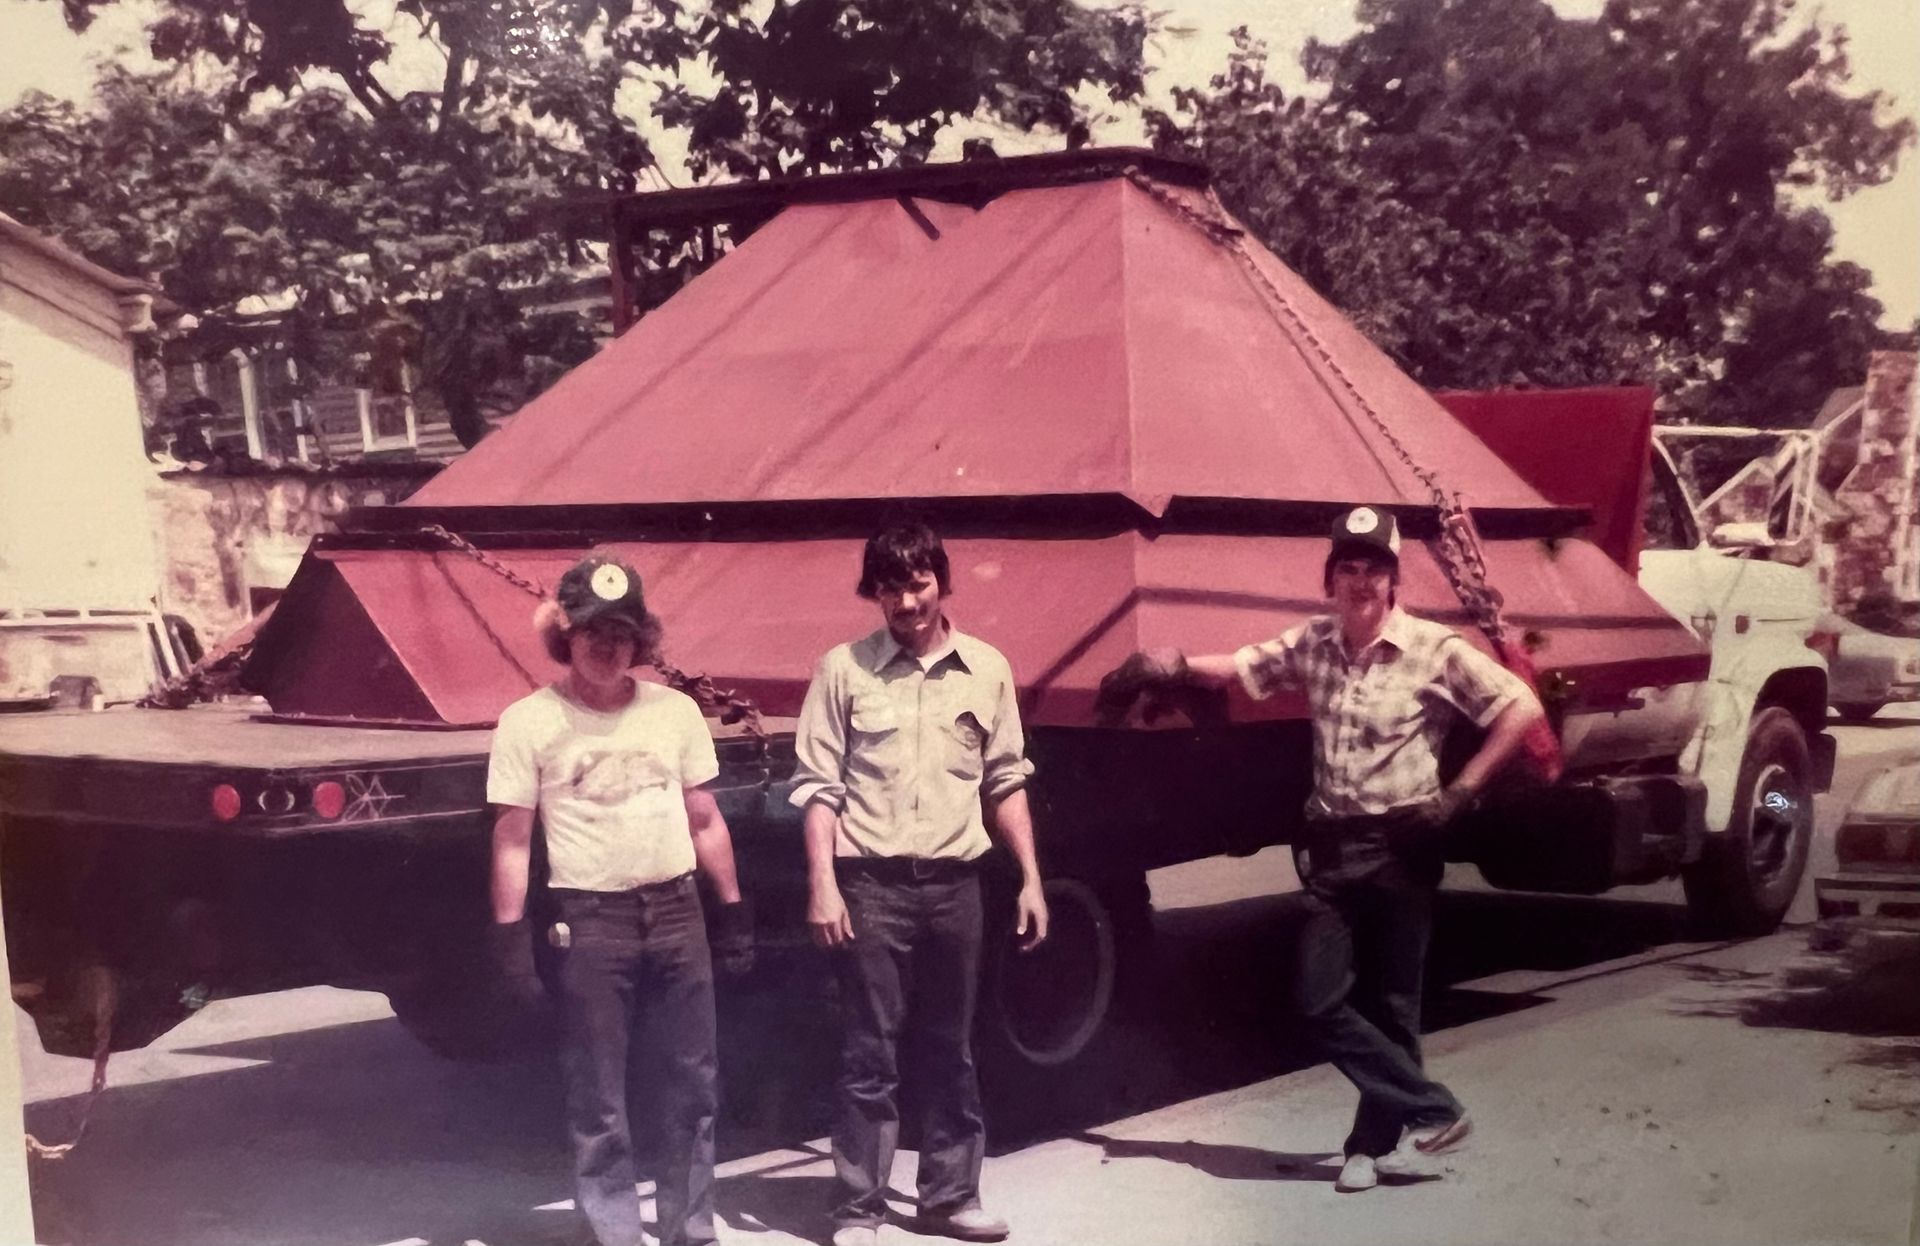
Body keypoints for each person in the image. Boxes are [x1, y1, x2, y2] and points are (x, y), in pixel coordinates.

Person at [1099, 505, 1546, 1194]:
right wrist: (1174, 662)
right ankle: (1435, 1108)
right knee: (1318, 1000)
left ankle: (1374, 1148)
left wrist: (1460, 795)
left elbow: (1520, 706)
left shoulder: (1435, 649)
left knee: (1394, 1005)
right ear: (1330, 580)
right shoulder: (1315, 643)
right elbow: (1246, 667)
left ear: (1393, 582)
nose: (1360, 583)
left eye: (1373, 570)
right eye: (1348, 569)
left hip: (1404, 844)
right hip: (1333, 851)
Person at [790, 523, 1050, 1246]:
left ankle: (949, 1197)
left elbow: (1005, 781)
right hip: (871, 886)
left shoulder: (987, 670)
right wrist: (823, 884)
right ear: (873, 593)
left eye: (918, 583)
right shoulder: (843, 670)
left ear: (941, 581)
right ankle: (859, 1209)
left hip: (955, 886)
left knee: (952, 1047)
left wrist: (1030, 878)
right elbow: (818, 789)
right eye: (890, 587)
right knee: (869, 1052)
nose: (907, 600)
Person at [486, 553, 754, 1246]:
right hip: (589, 923)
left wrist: (731, 911)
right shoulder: (528, 722)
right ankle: (612, 1234)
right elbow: (513, 839)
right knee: (599, 1099)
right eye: (593, 630)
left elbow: (704, 820)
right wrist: (511, 940)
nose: (608, 646)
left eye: (624, 632)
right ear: (566, 635)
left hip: (675, 914)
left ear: (642, 641)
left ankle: (689, 1230)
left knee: (691, 1087)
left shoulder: (675, 713)